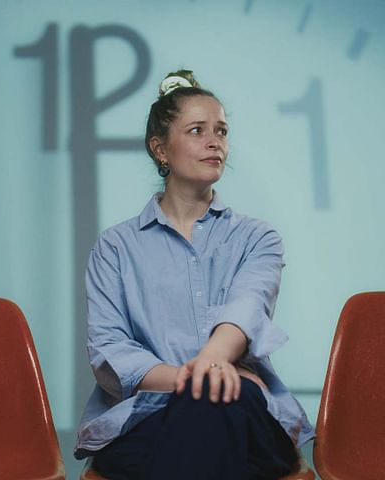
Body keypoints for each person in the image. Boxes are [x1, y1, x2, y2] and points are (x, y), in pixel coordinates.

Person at [74, 70, 314, 479]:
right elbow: (109, 347)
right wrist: (193, 378)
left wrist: (213, 360)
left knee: (213, 410)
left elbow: (248, 306)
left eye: (221, 130)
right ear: (160, 149)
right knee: (205, 420)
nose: (214, 141)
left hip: (244, 412)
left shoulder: (257, 238)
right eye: (197, 130)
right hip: (144, 418)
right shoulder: (115, 247)